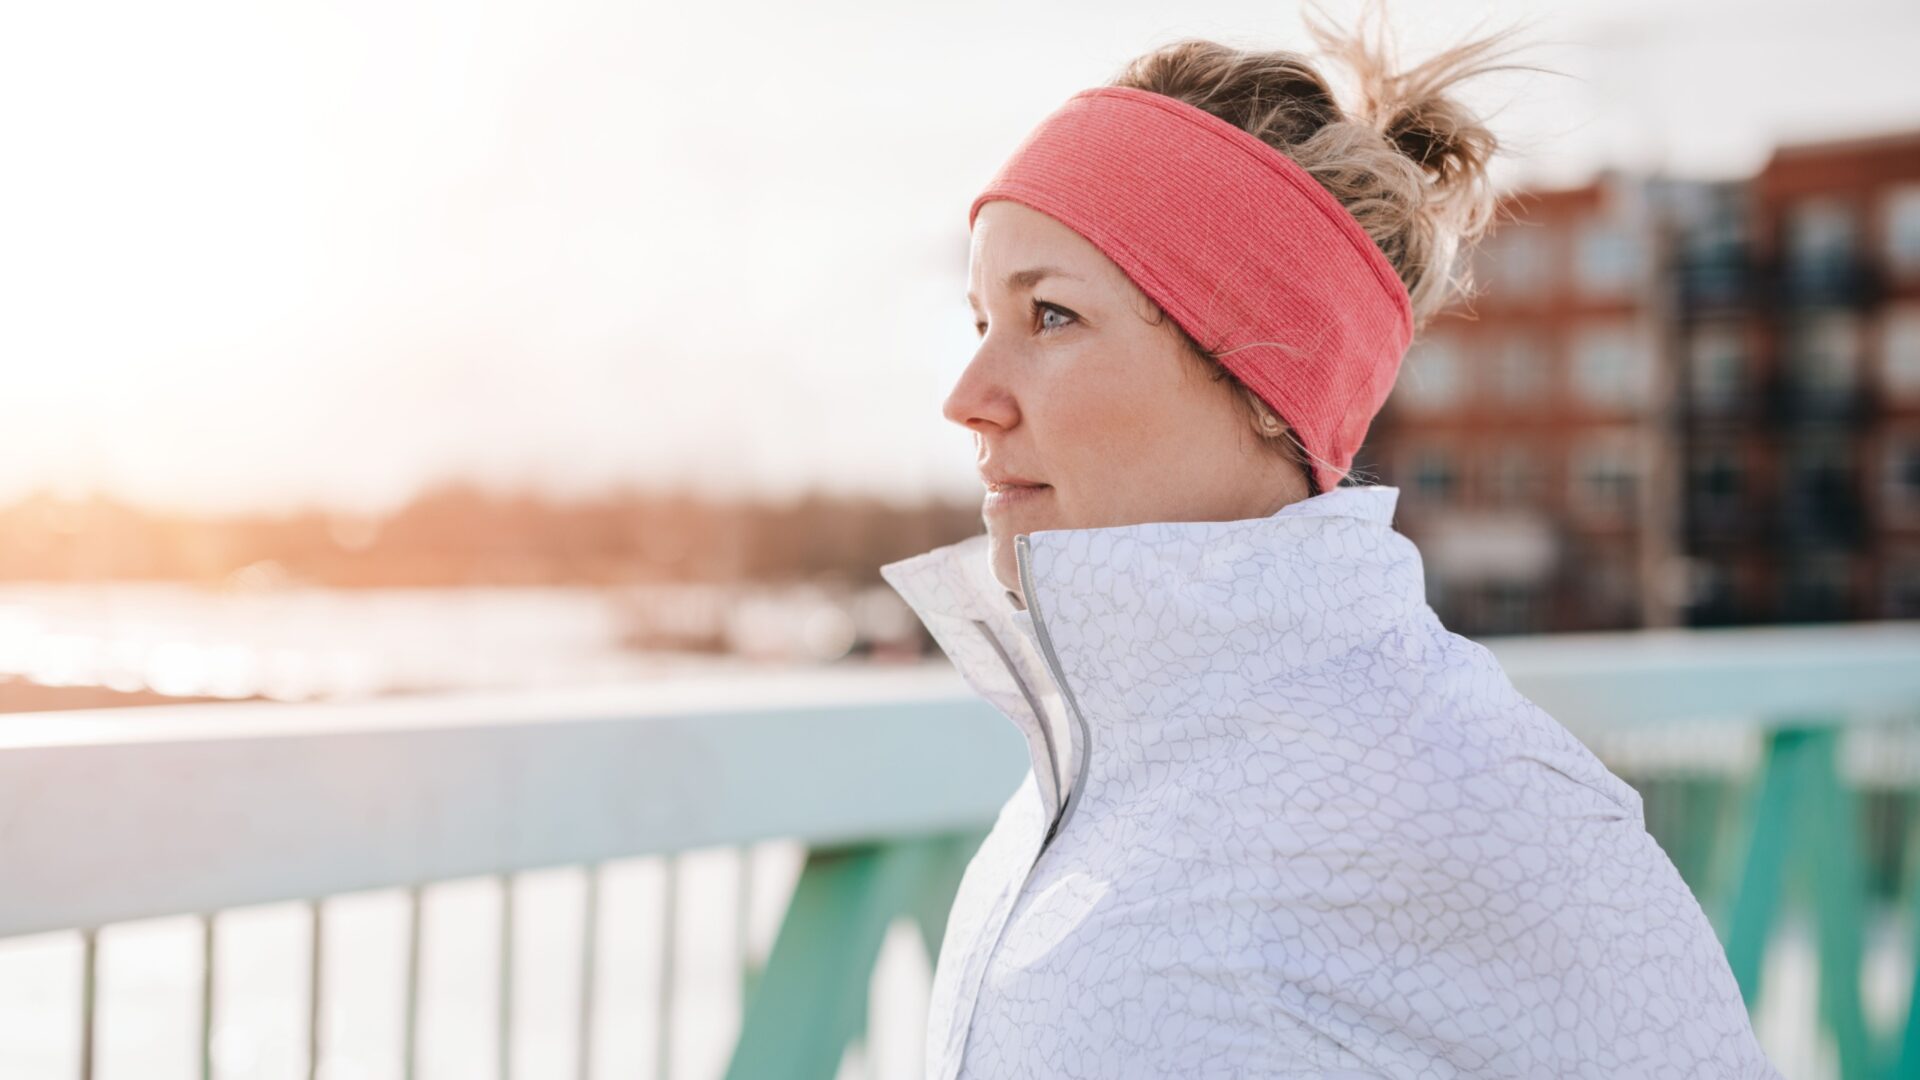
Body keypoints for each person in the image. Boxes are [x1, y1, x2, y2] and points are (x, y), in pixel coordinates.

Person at [876, 6, 1784, 1079]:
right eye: (982, 321)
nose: (967, 397)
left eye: (1052, 318)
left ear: (1262, 378)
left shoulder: (1472, 801)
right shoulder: (1081, 776)